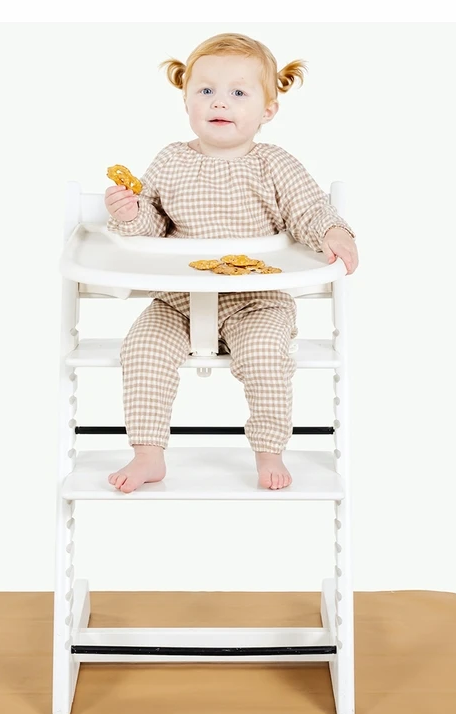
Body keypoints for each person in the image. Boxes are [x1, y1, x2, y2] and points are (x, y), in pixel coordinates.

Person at [105, 32, 358, 493]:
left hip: (256, 300)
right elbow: (151, 223)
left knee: (265, 358)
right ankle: (147, 453)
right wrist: (129, 214)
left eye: (239, 93)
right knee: (141, 350)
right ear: (186, 101)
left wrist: (333, 232)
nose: (220, 102)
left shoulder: (274, 164)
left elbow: (308, 210)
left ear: (268, 110)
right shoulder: (171, 160)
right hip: (178, 300)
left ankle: (269, 451)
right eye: (206, 90)